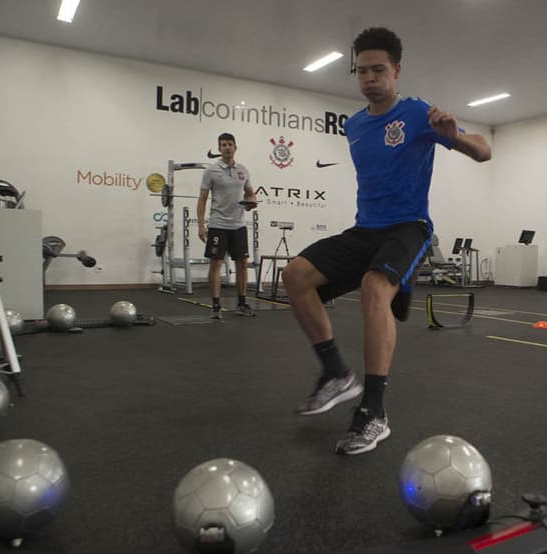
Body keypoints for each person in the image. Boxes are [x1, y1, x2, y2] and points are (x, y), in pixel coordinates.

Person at [281, 27, 491, 455]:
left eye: (379, 70)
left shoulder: (417, 113)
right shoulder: (354, 124)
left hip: (408, 226)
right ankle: (337, 375)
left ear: (396, 71)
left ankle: (374, 412)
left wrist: (456, 136)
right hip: (365, 228)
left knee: (375, 288)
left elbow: (484, 150)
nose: (370, 79)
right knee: (296, 275)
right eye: (362, 72)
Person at [197, 133, 257, 318]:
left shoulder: (243, 170)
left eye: (230, 144)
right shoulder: (211, 171)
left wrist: (251, 202)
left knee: (242, 264)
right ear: (219, 149)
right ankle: (216, 307)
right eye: (223, 145)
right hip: (218, 224)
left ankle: (242, 303)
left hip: (238, 225)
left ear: (235, 147)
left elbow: (250, 193)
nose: (227, 147)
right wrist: (201, 225)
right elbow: (202, 199)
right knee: (216, 264)